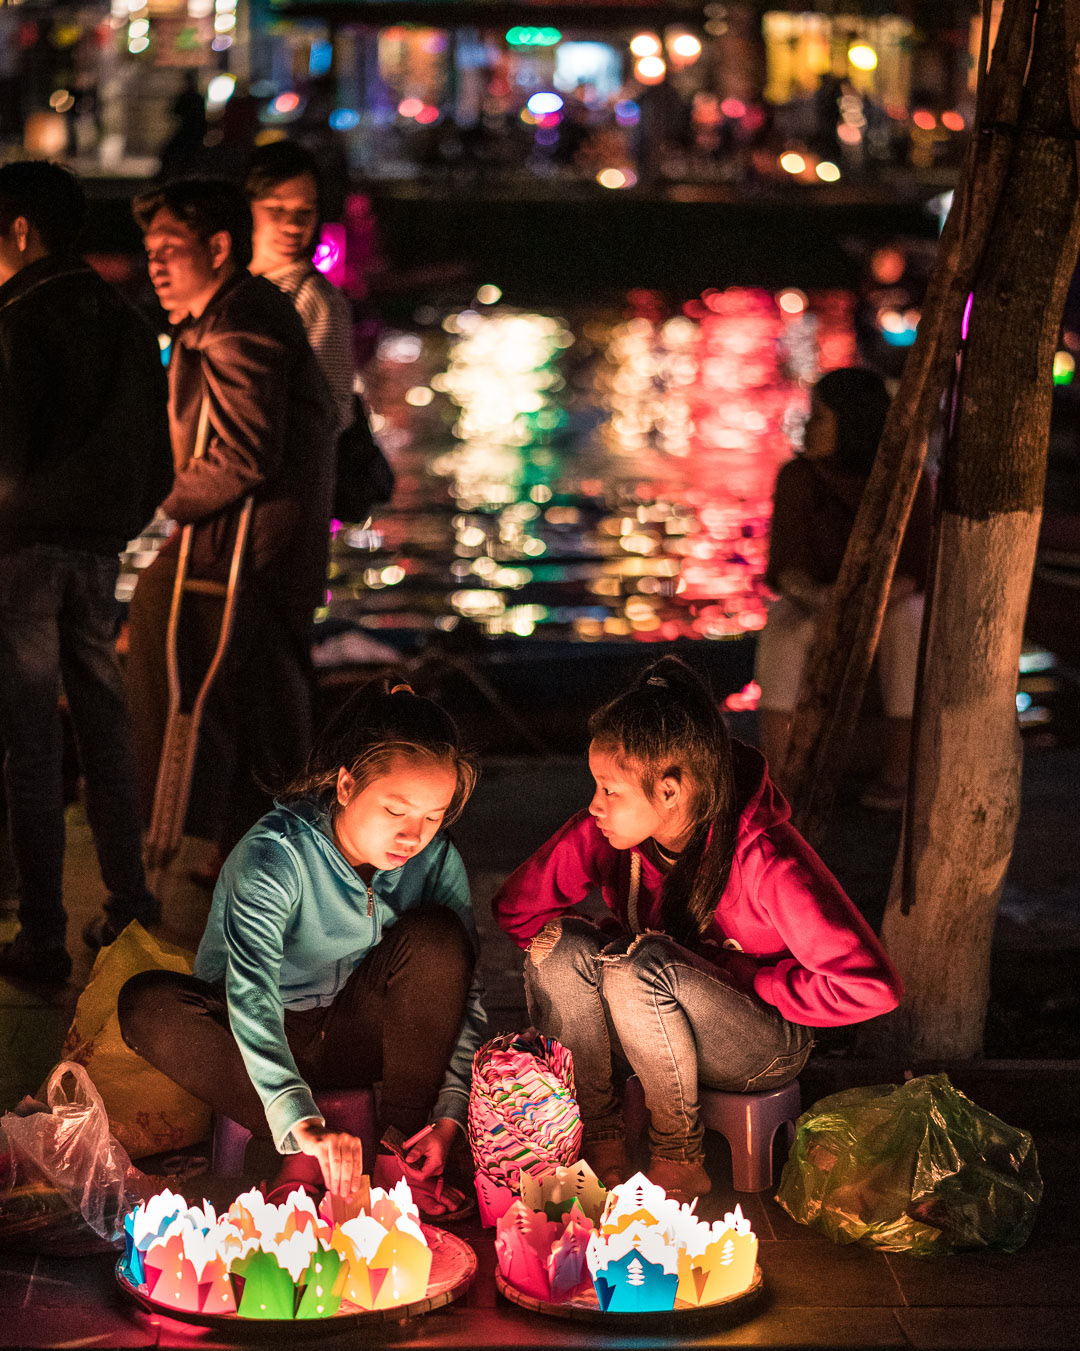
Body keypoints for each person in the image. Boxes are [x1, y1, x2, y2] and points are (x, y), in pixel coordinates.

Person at [493, 657, 901, 1202]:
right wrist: (600, 949)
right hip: (648, 1028)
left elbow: (872, 987)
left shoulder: (767, 858)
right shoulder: (609, 833)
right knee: (564, 946)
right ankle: (600, 1142)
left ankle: (679, 1156)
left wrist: (758, 980)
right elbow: (519, 912)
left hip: (758, 1045)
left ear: (670, 791)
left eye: (610, 790)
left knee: (640, 963)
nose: (595, 804)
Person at [118, 678, 487, 1211]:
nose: (414, 836)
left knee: (441, 940)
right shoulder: (276, 855)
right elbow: (251, 995)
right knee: (147, 1004)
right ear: (345, 786)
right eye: (395, 811)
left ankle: (397, 1153)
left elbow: (463, 993)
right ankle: (294, 1152)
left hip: (355, 1036)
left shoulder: (435, 861)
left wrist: (449, 1116)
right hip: (252, 1044)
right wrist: (299, 1119)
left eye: (433, 817)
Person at [127, 178, 337, 858]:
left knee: (181, 682)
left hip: (237, 552)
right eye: (148, 250)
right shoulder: (236, 313)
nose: (154, 264)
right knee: (263, 713)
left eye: (170, 249)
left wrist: (160, 497)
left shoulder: (237, 322)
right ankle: (237, 857)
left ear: (218, 248)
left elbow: (245, 451)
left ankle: (171, 848)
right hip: (258, 551)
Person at [0, 161, 172, 982]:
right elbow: (159, 463)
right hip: (100, 552)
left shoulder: (14, 319)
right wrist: (111, 528)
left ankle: (40, 932)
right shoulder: (130, 321)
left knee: (31, 744)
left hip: (20, 555)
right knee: (103, 729)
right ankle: (131, 900)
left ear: (21, 231)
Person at [754, 367, 933, 810]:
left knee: (909, 622)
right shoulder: (799, 477)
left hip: (888, 601)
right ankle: (778, 777)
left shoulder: (907, 478)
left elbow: (915, 567)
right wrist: (821, 601)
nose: (807, 426)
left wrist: (867, 604)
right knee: (782, 629)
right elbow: (786, 565)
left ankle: (899, 771)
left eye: (819, 417)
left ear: (851, 423)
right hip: (816, 600)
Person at [244, 139, 354, 431]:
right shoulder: (234, 286)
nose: (293, 225)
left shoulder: (314, 299)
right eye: (276, 210)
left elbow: (333, 412)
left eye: (305, 212)